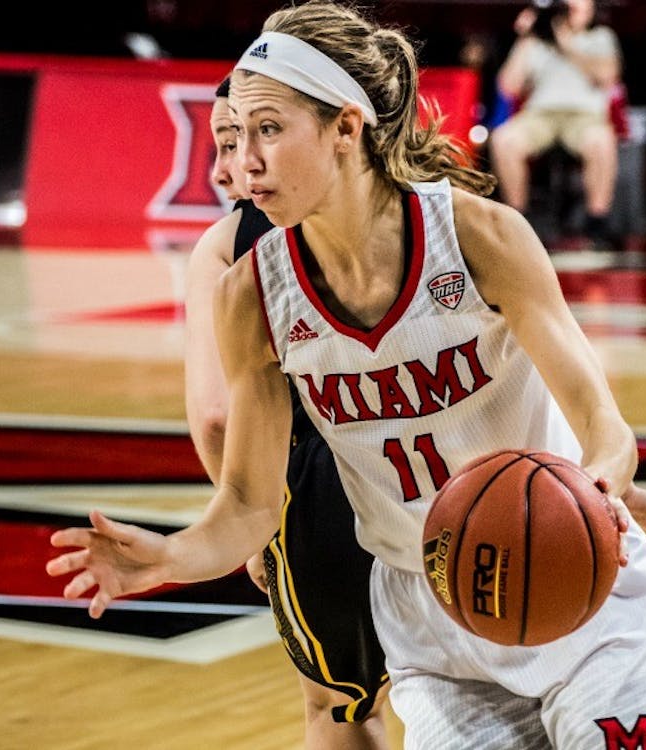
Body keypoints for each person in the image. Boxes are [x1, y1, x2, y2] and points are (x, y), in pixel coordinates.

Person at [46, 3, 646, 747]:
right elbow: (249, 505)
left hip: (577, 588)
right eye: (235, 135)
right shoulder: (250, 295)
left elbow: (605, 430)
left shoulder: (480, 236)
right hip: (429, 616)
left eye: (269, 129)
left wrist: (598, 494)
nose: (243, 162)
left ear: (346, 129)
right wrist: (171, 556)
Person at [184, 75, 391, 745]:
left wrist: (252, 524)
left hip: (320, 490)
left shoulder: (228, 248)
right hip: (445, 471)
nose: (225, 167)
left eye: (237, 139)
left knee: (345, 710)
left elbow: (217, 416)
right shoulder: (422, 215)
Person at [490, 0, 621, 246]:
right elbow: (507, 86)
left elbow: (607, 77)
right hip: (541, 116)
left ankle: (597, 221)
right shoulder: (536, 41)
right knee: (503, 139)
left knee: (602, 141)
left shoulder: (601, 37)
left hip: (585, 117)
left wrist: (565, 43)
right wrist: (525, 38)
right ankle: (519, 221)